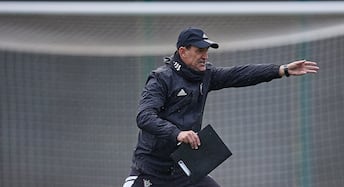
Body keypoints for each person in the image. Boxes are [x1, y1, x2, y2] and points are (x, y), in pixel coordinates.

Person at [123, 27, 319, 187]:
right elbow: (144, 117)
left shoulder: (206, 75)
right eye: (199, 51)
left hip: (184, 170)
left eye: (206, 51)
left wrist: (281, 70)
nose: (205, 56)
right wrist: (177, 133)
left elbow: (239, 74)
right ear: (183, 51)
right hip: (150, 171)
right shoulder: (161, 78)